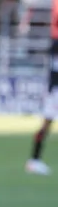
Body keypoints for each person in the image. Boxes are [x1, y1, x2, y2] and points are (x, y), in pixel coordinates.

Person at [25, 38, 58, 174]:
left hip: (54, 90)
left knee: (46, 125)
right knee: (46, 125)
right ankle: (34, 160)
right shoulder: (56, 45)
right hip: (55, 91)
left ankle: (34, 160)